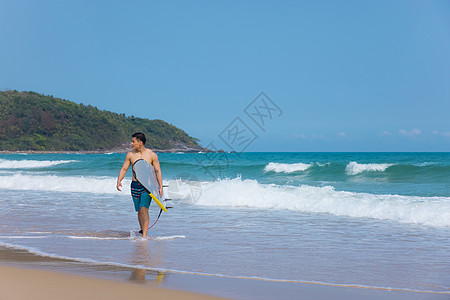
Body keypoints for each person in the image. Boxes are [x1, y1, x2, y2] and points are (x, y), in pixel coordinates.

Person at [116, 132, 163, 238]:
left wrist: (160, 187)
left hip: (148, 186)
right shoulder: (130, 155)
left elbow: (157, 171)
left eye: (133, 141)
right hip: (135, 185)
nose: (131, 144)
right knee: (139, 210)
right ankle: (142, 230)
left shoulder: (152, 155)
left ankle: (144, 236)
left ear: (140, 142)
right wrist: (119, 180)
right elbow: (124, 169)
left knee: (144, 208)